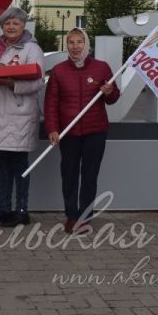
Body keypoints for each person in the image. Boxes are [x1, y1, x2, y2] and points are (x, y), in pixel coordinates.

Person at [44, 27, 120, 234]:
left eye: (79, 42)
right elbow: (51, 103)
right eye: (71, 42)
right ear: (66, 45)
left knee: (89, 175)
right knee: (69, 175)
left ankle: (84, 217)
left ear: (86, 44)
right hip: (68, 133)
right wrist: (52, 129)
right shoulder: (59, 71)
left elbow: (113, 99)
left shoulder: (101, 68)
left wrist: (109, 91)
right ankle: (71, 216)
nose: (75, 46)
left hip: (95, 131)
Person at [0, 7, 46, 227]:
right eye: (7, 23)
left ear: (23, 25)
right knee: (2, 164)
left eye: (15, 23)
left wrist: (10, 82)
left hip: (19, 115)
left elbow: (38, 82)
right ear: (2, 26)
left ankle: (21, 210)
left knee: (19, 164)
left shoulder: (31, 48)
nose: (10, 27)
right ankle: (4, 208)